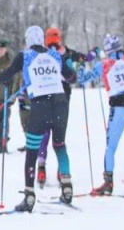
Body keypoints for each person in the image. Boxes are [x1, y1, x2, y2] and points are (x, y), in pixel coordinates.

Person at [0, 26, 77, 211]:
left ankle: (29, 195)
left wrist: (6, 79)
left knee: (32, 150)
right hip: (60, 103)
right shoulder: (54, 55)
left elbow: (4, 76)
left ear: (27, 40)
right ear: (42, 39)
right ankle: (66, 187)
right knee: (59, 145)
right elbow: (71, 77)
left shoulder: (24, 56)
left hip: (40, 105)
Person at [34, 27, 88, 186]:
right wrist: (90, 56)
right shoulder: (67, 53)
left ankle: (41, 167)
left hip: (44, 95)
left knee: (44, 133)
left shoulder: (41, 53)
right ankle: (62, 171)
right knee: (59, 138)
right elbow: (82, 60)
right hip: (63, 97)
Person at [77, 34, 124, 195]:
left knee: (111, 146)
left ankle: (108, 182)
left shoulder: (104, 65)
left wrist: (81, 65)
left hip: (119, 106)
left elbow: (82, 79)